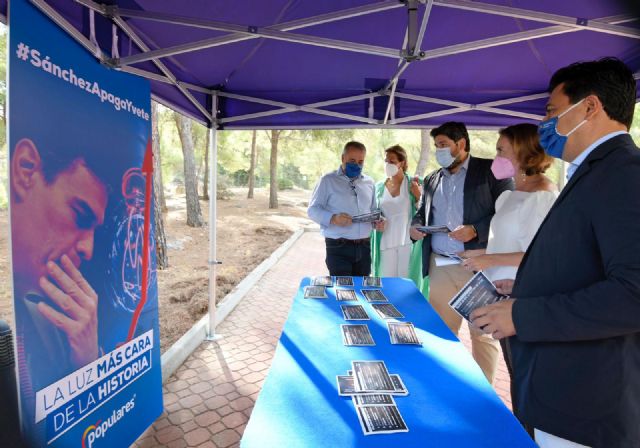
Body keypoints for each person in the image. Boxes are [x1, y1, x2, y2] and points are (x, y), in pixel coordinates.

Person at [470, 58, 640, 448]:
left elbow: (633, 293)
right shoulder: (595, 172)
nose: (545, 123)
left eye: (551, 110)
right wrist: (529, 284)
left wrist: (523, 313)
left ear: (590, 107)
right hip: (557, 392)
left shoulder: (626, 174)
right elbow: (586, 262)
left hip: (584, 406)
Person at [410, 122, 513, 383]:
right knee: (441, 332)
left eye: (443, 145)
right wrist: (415, 226)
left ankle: (485, 392)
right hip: (440, 267)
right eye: (436, 146)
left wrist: (476, 230)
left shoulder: (490, 170)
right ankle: (445, 388)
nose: (439, 151)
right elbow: (422, 213)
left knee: (482, 333)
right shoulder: (433, 178)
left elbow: (509, 212)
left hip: (478, 267)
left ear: (462, 144)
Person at [460, 123, 557, 396]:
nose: (496, 157)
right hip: (497, 294)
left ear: (525, 153)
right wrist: (480, 254)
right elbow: (506, 242)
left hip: (522, 298)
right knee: (515, 371)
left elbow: (540, 255)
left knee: (525, 377)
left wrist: (489, 261)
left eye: (502, 151)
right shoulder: (511, 193)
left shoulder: (542, 197)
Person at [308, 141, 381, 276]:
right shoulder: (327, 180)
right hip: (338, 247)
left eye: (360, 161)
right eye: (352, 160)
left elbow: (373, 210)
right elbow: (312, 210)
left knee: (362, 291)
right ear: (343, 158)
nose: (357, 165)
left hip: (364, 247)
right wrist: (333, 218)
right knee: (343, 293)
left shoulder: (369, 182)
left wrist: (377, 220)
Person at [370, 145, 423, 287]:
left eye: (392, 161)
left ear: (402, 163)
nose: (388, 164)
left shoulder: (415, 183)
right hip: (385, 243)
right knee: (386, 287)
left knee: (406, 286)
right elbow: (374, 213)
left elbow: (425, 212)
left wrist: (418, 196)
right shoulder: (379, 187)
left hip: (408, 244)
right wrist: (377, 220)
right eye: (386, 161)